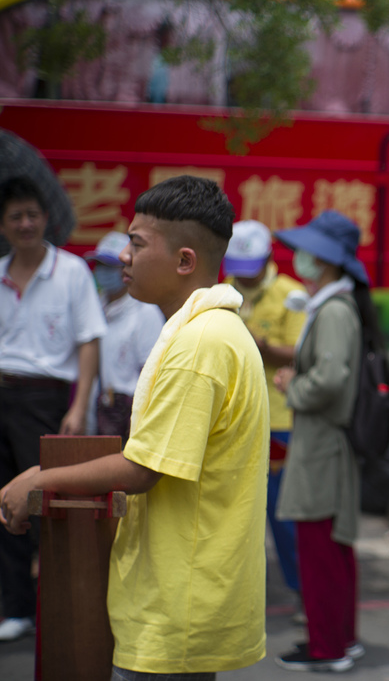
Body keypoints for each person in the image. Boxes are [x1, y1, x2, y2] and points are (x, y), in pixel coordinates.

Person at [0, 175, 270, 679]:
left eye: (137, 243)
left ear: (185, 261)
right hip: (183, 594)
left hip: (178, 602)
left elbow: (144, 468)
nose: (122, 256)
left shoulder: (200, 344)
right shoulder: (208, 330)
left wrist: (38, 478)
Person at [271, 210, 382, 672]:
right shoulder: (337, 305)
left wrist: (290, 386)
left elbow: (331, 379)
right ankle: (339, 639)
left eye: (309, 252)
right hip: (327, 443)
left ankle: (326, 647)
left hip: (321, 445)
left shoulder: (334, 310)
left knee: (319, 551)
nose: (301, 258)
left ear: (327, 260)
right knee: (331, 550)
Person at [0, 176, 106, 642]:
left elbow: (89, 340)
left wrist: (79, 404)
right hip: (1, 392)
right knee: (5, 502)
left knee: (48, 502)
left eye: (32, 214)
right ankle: (15, 607)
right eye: (15, 216)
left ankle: (60, 608)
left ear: (46, 218)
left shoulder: (72, 272)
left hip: (46, 397)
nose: (25, 223)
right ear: (3, 225)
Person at [222, 219, 306, 606]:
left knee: (281, 515)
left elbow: (301, 352)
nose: (245, 279)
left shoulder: (291, 294)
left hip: (278, 421)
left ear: (269, 257)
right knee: (231, 515)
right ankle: (234, 594)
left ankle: (300, 592)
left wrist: (262, 346)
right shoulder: (221, 293)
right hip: (230, 419)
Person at [86, 231, 164, 443]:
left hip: (128, 412)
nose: (104, 272)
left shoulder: (146, 312)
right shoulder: (95, 306)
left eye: (112, 266)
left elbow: (150, 373)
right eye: (100, 265)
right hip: (100, 407)